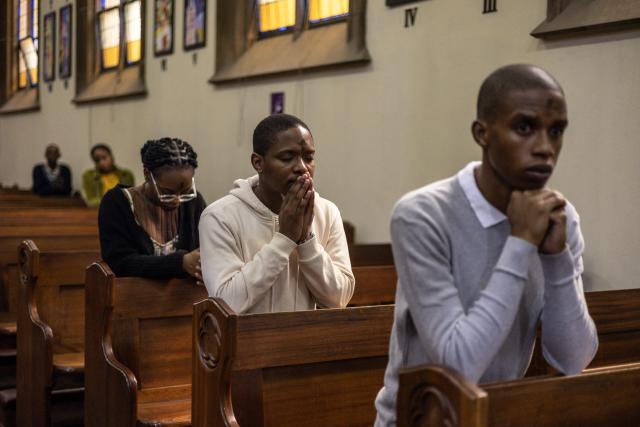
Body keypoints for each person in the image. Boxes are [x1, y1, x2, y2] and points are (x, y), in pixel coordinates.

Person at [374, 64, 598, 426]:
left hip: (499, 417)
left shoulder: (560, 216)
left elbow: (572, 360)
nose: (545, 148)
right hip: (421, 419)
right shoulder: (421, 214)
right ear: (483, 133)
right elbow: (458, 365)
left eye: (555, 131)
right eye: (524, 127)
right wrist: (521, 240)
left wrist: (557, 258)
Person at [199, 114, 355, 314]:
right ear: (258, 163)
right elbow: (228, 303)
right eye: (287, 158)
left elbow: (339, 299)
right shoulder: (219, 216)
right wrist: (285, 238)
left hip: (307, 341)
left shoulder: (327, 212)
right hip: (246, 342)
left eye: (308, 157)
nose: (302, 167)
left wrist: (306, 240)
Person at [98, 137, 205, 280]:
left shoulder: (194, 202)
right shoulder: (117, 203)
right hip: (131, 297)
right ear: (147, 175)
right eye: (167, 193)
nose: (177, 200)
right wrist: (180, 263)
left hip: (185, 297)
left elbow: (203, 251)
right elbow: (119, 262)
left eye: (185, 191)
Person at [82, 143, 135, 207]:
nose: (101, 162)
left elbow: (131, 198)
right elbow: (91, 201)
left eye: (104, 157)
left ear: (111, 156)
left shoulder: (126, 175)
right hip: (100, 211)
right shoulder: (89, 176)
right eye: (97, 160)